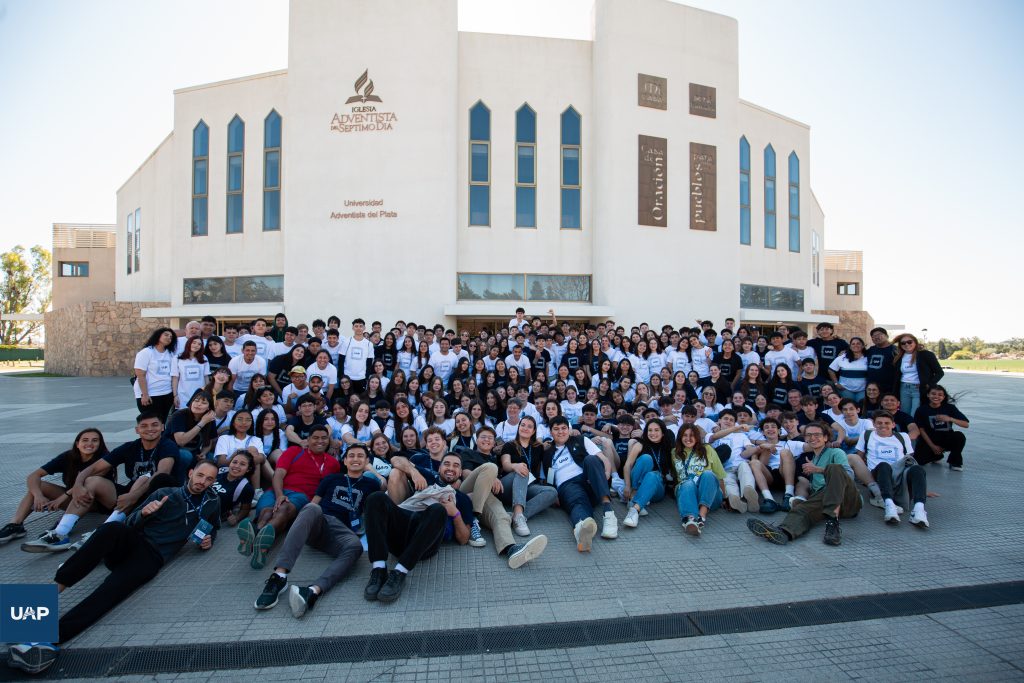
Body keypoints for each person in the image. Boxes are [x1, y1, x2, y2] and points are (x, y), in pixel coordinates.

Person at [8, 461, 221, 676]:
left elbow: (212, 528)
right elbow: (130, 523)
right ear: (191, 473)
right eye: (200, 475)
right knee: (111, 529)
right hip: (133, 542)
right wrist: (145, 514)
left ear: (213, 481)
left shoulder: (213, 501)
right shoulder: (166, 493)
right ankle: (35, 607)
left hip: (152, 558)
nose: (202, 482)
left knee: (109, 592)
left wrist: (208, 540)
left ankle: (48, 639)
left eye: (209, 479)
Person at [253, 444, 383, 616]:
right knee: (311, 508)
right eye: (351, 456)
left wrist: (370, 470)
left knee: (355, 546)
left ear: (367, 461)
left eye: (361, 456)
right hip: (321, 521)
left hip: (343, 531)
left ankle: (312, 591)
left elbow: (383, 487)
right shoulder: (331, 479)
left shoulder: (371, 484)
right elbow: (314, 503)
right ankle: (279, 576)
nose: (355, 459)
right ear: (344, 460)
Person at [22, 413, 181, 552]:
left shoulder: (167, 446)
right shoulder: (130, 447)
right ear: (137, 430)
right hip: (129, 495)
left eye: (154, 425)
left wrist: (134, 495)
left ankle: (102, 533)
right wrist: (77, 485)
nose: (150, 429)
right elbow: (93, 468)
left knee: (146, 479)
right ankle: (60, 533)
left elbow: (162, 472)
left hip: (155, 496)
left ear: (162, 427)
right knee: (92, 480)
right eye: (144, 426)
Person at [362, 452, 473, 604]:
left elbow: (464, 538)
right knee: (375, 498)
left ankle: (399, 572)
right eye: (446, 464)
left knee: (438, 510)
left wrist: (454, 513)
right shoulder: (428, 477)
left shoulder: (463, 499)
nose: (450, 468)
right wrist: (414, 472)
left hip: (425, 543)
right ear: (439, 467)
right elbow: (395, 459)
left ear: (460, 472)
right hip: (402, 529)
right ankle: (379, 569)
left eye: (456, 466)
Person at [237, 425, 341, 570]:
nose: (320, 441)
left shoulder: (333, 463)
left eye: (324, 438)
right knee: (267, 512)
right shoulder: (294, 451)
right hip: (276, 490)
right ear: (308, 439)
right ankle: (261, 547)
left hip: (302, 495)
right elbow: (278, 474)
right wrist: (280, 495)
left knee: (284, 508)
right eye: (315, 438)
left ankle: (254, 534)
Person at [747, 421, 860, 546]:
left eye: (817, 435)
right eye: (809, 435)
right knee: (801, 509)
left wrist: (819, 469)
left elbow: (847, 474)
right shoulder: (812, 460)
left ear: (826, 437)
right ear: (805, 438)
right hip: (826, 500)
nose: (813, 438)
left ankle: (832, 523)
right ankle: (783, 532)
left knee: (834, 468)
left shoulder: (835, 453)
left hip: (848, 500)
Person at [0, 429, 112, 545]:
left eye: (95, 440)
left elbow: (85, 484)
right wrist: (38, 496)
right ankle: (15, 525)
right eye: (85, 440)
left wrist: (61, 499)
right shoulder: (68, 457)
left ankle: (62, 526)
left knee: (88, 483)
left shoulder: (104, 458)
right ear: (77, 444)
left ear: (100, 444)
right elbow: (34, 475)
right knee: (39, 485)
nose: (89, 444)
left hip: (95, 501)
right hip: (73, 498)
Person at [542, 416, 618, 552]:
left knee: (590, 459)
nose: (560, 432)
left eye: (564, 428)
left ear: (569, 429)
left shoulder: (581, 440)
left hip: (590, 480)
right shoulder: (548, 454)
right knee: (578, 502)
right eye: (556, 429)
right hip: (567, 485)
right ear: (550, 432)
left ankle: (609, 513)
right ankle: (582, 528)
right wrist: (554, 494)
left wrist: (604, 474)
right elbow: (549, 478)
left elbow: (603, 459)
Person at [854, 410, 930, 528]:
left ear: (893, 425)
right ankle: (889, 505)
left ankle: (919, 509)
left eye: (887, 423)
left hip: (900, 473)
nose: (883, 425)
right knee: (884, 465)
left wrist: (919, 484)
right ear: (874, 424)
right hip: (879, 473)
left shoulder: (903, 436)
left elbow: (909, 458)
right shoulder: (866, 434)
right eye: (879, 423)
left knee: (918, 469)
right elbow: (859, 456)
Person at [498, 418, 559, 535]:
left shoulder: (538, 447)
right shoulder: (509, 445)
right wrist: (515, 466)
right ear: (519, 427)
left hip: (527, 487)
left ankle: (518, 516)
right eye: (523, 425)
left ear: (534, 431)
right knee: (522, 470)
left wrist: (549, 484)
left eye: (529, 426)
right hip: (508, 486)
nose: (525, 428)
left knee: (552, 492)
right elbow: (505, 465)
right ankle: (518, 513)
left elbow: (545, 469)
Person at [665, 424, 726, 536]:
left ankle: (701, 516)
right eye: (685, 435)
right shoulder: (674, 452)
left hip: (710, 495)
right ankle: (690, 520)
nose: (688, 439)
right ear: (680, 437)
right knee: (687, 483)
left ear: (698, 437)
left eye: (692, 435)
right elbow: (674, 475)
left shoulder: (707, 449)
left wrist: (725, 498)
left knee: (708, 474)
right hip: (688, 493)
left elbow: (720, 476)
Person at [621, 419, 673, 528]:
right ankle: (635, 505)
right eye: (650, 430)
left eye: (656, 430)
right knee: (646, 458)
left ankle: (634, 504)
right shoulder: (640, 444)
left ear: (663, 432)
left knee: (652, 475)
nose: (653, 433)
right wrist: (627, 485)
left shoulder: (668, 447)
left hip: (657, 486)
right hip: (637, 484)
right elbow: (628, 465)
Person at [914, 385, 969, 470]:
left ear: (943, 397)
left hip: (946, 438)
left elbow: (966, 424)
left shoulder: (950, 408)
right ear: (928, 395)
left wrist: (950, 418)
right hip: (930, 439)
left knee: (959, 436)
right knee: (920, 461)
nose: (936, 396)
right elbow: (921, 430)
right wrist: (932, 446)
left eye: (940, 395)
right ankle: (937, 455)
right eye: (933, 394)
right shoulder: (921, 410)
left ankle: (954, 462)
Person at [893, 334, 944, 417]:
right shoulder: (899, 357)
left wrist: (928, 385)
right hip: (904, 388)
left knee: (915, 414)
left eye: (909, 342)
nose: (906, 344)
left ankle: (915, 430)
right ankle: (905, 430)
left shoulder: (926, 355)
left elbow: (939, 373)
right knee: (904, 413)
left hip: (918, 389)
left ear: (915, 342)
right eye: (903, 343)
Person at [132, 327, 178, 419]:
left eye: (171, 337)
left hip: (167, 394)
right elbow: (140, 375)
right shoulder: (146, 352)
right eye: (166, 335)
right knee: (151, 421)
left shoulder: (170, 354)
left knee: (162, 422)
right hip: (150, 395)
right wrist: (144, 394)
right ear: (158, 336)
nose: (169, 337)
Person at [212, 450, 255, 527]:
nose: (237, 466)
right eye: (234, 462)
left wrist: (237, 518)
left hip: (212, 516)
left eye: (242, 464)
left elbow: (245, 509)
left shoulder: (246, 487)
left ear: (248, 469)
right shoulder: (219, 471)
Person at [172, 336, 210, 409]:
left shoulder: (203, 358)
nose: (196, 345)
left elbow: (206, 377)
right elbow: (175, 377)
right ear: (188, 343)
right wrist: (175, 395)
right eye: (194, 342)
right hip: (183, 395)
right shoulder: (177, 358)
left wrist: (207, 393)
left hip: (200, 395)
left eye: (199, 344)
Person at [828, 337, 869, 402]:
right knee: (848, 406)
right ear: (850, 346)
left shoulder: (868, 357)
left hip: (862, 389)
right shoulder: (842, 357)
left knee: (861, 406)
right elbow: (831, 370)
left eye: (858, 343)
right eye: (853, 344)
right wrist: (836, 383)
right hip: (845, 389)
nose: (855, 345)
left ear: (863, 346)